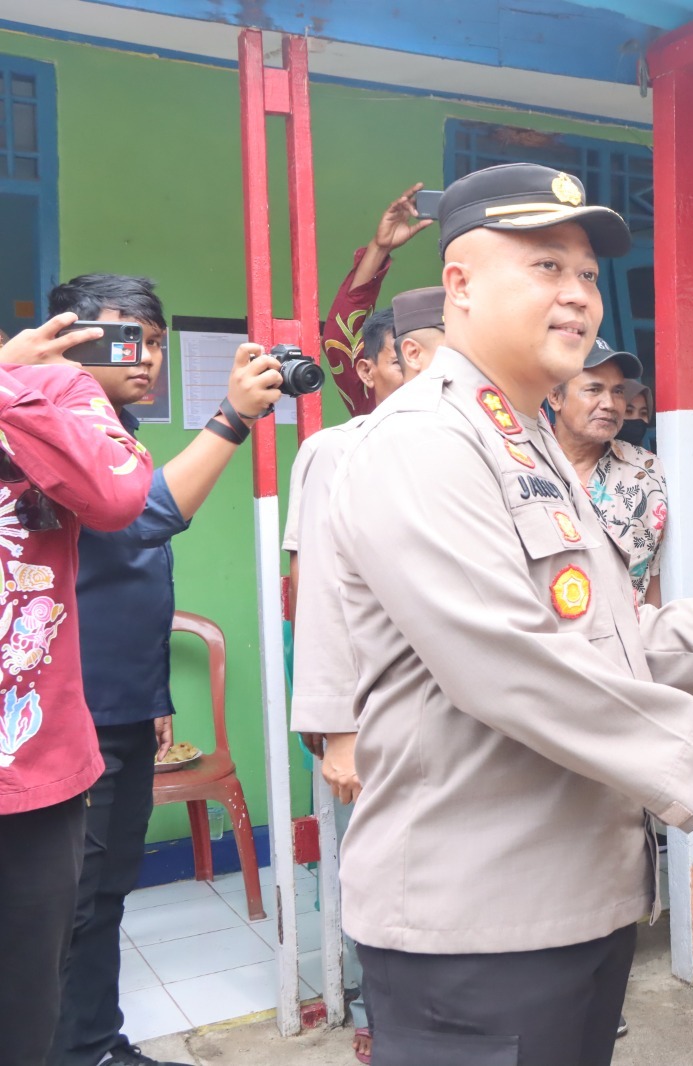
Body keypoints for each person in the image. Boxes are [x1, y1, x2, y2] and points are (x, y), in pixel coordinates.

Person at [289, 162, 693, 1066]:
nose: (578, 297)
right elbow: (509, 666)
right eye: (546, 267)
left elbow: (611, 636)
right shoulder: (421, 444)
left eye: (589, 277)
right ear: (460, 285)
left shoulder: (522, 442)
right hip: (477, 925)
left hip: (568, 903)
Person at [40, 275, 283, 1066]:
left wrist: (155, 693)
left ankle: (95, 1042)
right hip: (71, 710)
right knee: (74, 902)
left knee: (104, 894)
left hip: (121, 700)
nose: (144, 357)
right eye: (123, 340)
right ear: (70, 338)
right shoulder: (57, 424)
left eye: (154, 341)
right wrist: (233, 417)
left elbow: (125, 578)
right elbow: (147, 515)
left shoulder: (118, 425)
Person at [284, 285, 445, 1066]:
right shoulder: (335, 450)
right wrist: (335, 730)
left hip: (455, 711)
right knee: (378, 870)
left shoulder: (483, 445)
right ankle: (379, 1020)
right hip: (373, 709)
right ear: (383, 367)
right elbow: (315, 594)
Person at [0, 313, 153, 1066]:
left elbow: (120, 497)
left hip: (34, 771)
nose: (145, 358)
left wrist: (7, 385)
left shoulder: (49, 387)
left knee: (26, 1010)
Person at [547, 338, 665, 607]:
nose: (610, 404)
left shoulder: (646, 471)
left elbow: (652, 575)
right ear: (555, 396)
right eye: (594, 389)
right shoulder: (523, 463)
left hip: (627, 641)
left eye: (618, 391)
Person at [322, 184, 433, 418]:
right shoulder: (369, 408)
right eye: (399, 362)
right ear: (366, 372)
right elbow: (339, 337)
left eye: (429, 364)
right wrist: (379, 248)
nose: (417, 375)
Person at [618, 379, 655, 451]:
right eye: (628, 411)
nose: (636, 418)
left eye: (643, 413)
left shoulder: (648, 460)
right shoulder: (593, 458)